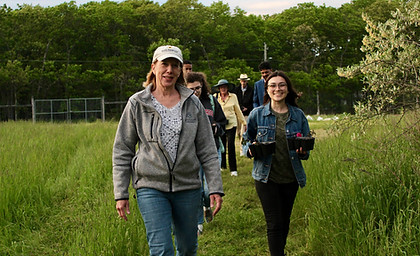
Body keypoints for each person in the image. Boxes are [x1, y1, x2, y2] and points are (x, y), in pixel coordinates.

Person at [113, 45, 224, 256]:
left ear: (181, 70)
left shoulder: (192, 103)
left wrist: (215, 187)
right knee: (162, 249)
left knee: (187, 247)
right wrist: (121, 193)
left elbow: (208, 149)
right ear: (154, 67)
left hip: (188, 186)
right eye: (164, 64)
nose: (169, 70)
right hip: (150, 186)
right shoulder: (137, 103)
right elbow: (122, 150)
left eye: (175, 65)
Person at [243, 70, 311, 256]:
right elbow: (245, 141)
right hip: (266, 177)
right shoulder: (257, 114)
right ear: (267, 89)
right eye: (272, 85)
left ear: (288, 89)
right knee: (274, 223)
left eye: (281, 85)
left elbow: (305, 149)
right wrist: (249, 149)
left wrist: (303, 151)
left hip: (291, 177)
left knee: (284, 222)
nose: (277, 89)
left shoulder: (298, 116)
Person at [186, 71, 227, 235]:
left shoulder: (211, 101)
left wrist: (216, 127)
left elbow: (223, 122)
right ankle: (198, 223)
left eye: (198, 88)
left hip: (212, 149)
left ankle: (206, 203)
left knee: (209, 189)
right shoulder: (183, 103)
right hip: (192, 153)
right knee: (197, 188)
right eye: (191, 89)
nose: (196, 91)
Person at [213, 79, 246, 177]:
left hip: (231, 124)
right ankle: (222, 166)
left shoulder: (233, 96)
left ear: (227, 88)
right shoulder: (215, 97)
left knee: (231, 146)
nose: (223, 88)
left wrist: (243, 122)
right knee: (221, 146)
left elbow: (238, 110)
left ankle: (233, 169)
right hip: (220, 124)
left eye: (225, 87)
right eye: (221, 87)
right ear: (218, 88)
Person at [233, 74, 254, 142]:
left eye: (244, 81)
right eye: (242, 81)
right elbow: (235, 101)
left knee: (243, 131)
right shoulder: (236, 90)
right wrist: (240, 108)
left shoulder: (251, 90)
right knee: (238, 132)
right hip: (238, 113)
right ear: (240, 81)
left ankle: (242, 148)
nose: (243, 82)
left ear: (247, 81)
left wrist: (247, 108)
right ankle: (240, 145)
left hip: (246, 113)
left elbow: (253, 101)